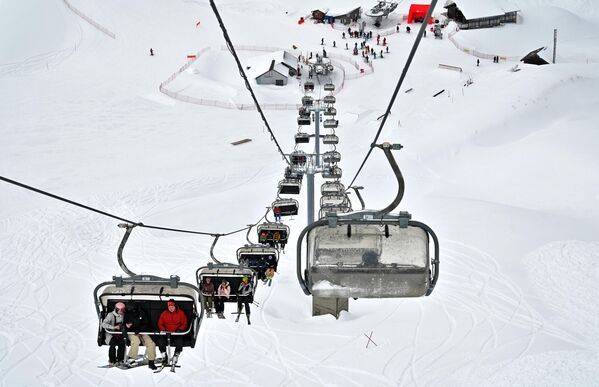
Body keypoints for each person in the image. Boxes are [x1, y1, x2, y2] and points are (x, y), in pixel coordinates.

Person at [125, 303, 157, 370]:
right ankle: (131, 358)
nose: (131, 310)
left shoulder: (141, 312)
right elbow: (124, 324)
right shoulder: (127, 313)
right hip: (131, 332)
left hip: (141, 331)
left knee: (151, 344)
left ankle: (151, 361)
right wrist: (128, 327)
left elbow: (146, 323)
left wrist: (139, 329)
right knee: (136, 341)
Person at [157, 299, 188, 365]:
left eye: (172, 307)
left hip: (176, 332)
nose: (170, 309)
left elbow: (184, 323)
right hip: (167, 332)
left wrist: (180, 329)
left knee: (179, 340)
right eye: (169, 307)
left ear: (175, 306)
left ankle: (176, 354)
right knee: (161, 340)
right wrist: (163, 329)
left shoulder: (180, 313)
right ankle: (164, 354)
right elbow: (160, 323)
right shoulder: (164, 313)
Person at [101, 302, 127, 366]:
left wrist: (126, 325)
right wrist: (113, 327)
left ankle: (120, 359)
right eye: (119, 309)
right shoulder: (110, 315)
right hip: (112, 334)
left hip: (121, 334)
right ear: (116, 309)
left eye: (122, 309)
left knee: (122, 344)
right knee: (112, 344)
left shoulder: (125, 315)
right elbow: (103, 324)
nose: (121, 311)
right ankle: (112, 360)